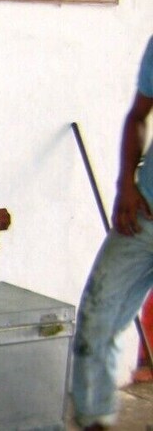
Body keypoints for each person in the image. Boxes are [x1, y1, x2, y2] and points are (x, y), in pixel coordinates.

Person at [72, 35, 153, 430]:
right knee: (97, 319)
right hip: (144, 215)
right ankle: (94, 421)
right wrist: (126, 184)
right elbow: (139, 115)